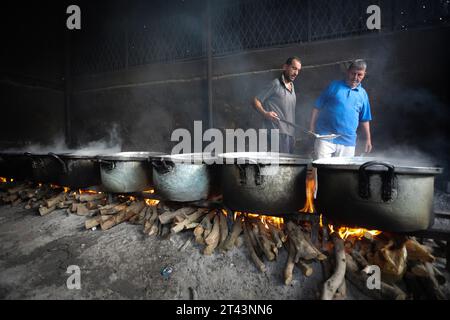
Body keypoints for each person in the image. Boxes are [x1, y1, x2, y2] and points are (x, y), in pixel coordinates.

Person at [309, 59, 372, 159]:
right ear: (348, 72)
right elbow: (317, 106)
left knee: (341, 173)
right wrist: (311, 127)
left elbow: (364, 119)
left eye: (359, 75)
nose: (355, 77)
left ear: (364, 74)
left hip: (348, 142)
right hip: (325, 138)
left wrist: (368, 139)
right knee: (321, 171)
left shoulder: (363, 94)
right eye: (353, 73)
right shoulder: (334, 86)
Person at [252, 56, 302, 154]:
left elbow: (290, 113)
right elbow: (255, 100)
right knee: (279, 166)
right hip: (276, 133)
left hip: (289, 136)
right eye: (294, 68)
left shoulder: (292, 86)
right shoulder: (275, 84)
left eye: (298, 70)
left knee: (287, 166)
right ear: (285, 67)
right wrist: (265, 113)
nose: (296, 73)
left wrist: (293, 135)